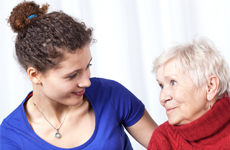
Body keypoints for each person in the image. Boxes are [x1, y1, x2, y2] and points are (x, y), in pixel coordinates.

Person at [0, 1, 158, 150]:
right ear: (35, 75)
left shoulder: (111, 94)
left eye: (87, 66)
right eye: (72, 75)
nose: (86, 82)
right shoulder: (10, 137)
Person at [147, 37, 230, 150]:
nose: (162, 98)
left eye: (173, 82)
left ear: (210, 87)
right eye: (161, 86)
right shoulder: (163, 138)